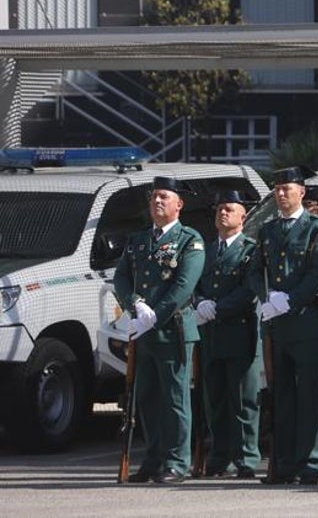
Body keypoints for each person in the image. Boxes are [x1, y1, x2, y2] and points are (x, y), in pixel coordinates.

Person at [112, 176, 205, 483]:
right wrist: (134, 304)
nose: (158, 201)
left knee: (175, 399)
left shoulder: (190, 240)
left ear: (179, 204)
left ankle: (178, 461)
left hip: (172, 329)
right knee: (147, 398)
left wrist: (155, 315)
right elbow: (121, 278)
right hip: (143, 329)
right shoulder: (138, 240)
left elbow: (183, 286)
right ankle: (153, 459)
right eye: (154, 197)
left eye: (164, 196)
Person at [250, 166, 318, 485]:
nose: (281, 193)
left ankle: (311, 463)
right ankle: (283, 463)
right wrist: (267, 296)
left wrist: (291, 300)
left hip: (306, 321)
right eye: (277, 189)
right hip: (277, 323)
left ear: (302, 192)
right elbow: (256, 271)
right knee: (282, 394)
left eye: (287, 188)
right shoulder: (268, 230)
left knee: (311, 394)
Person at [193, 189, 261, 479]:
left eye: (229, 209)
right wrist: (199, 302)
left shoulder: (251, 249)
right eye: (219, 208)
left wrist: (217, 308)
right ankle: (219, 457)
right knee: (215, 398)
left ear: (243, 217)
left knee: (243, 399)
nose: (223, 213)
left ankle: (246, 457)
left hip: (239, 332)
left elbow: (249, 289)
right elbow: (191, 282)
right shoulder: (204, 250)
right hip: (209, 334)